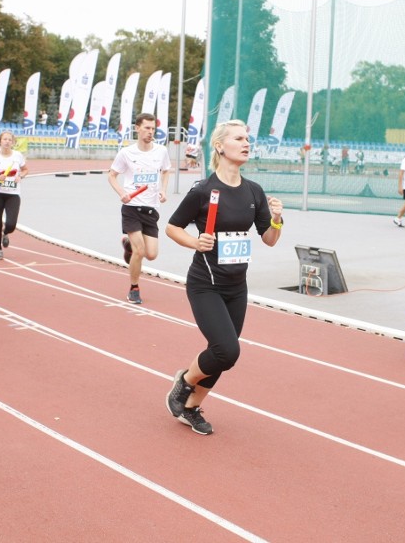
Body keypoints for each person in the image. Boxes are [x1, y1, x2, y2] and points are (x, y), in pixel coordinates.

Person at [165, 119, 284, 435]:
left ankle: (189, 406)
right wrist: (195, 241)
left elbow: (269, 239)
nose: (246, 143)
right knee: (227, 349)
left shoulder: (253, 191)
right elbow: (173, 227)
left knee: (223, 356)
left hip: (236, 287)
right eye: (238, 138)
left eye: (248, 139)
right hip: (206, 284)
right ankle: (184, 382)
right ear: (219, 146)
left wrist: (277, 219)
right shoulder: (204, 190)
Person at [107, 112, 171, 304]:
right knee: (140, 251)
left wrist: (164, 190)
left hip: (151, 209)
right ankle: (134, 288)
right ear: (137, 128)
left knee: (151, 254)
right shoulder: (126, 153)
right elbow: (111, 175)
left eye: (153, 129)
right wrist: (122, 193)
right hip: (132, 208)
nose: (150, 132)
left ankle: (127, 244)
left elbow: (166, 170)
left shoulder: (161, 151)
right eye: (147, 128)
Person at [0, 130, 28, 260]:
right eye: (5, 139)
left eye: (10, 139)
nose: (7, 141)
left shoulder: (18, 156)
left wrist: (20, 175)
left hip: (13, 195)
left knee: (11, 224)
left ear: (13, 142)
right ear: (0, 142)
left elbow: (25, 169)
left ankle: (6, 232)